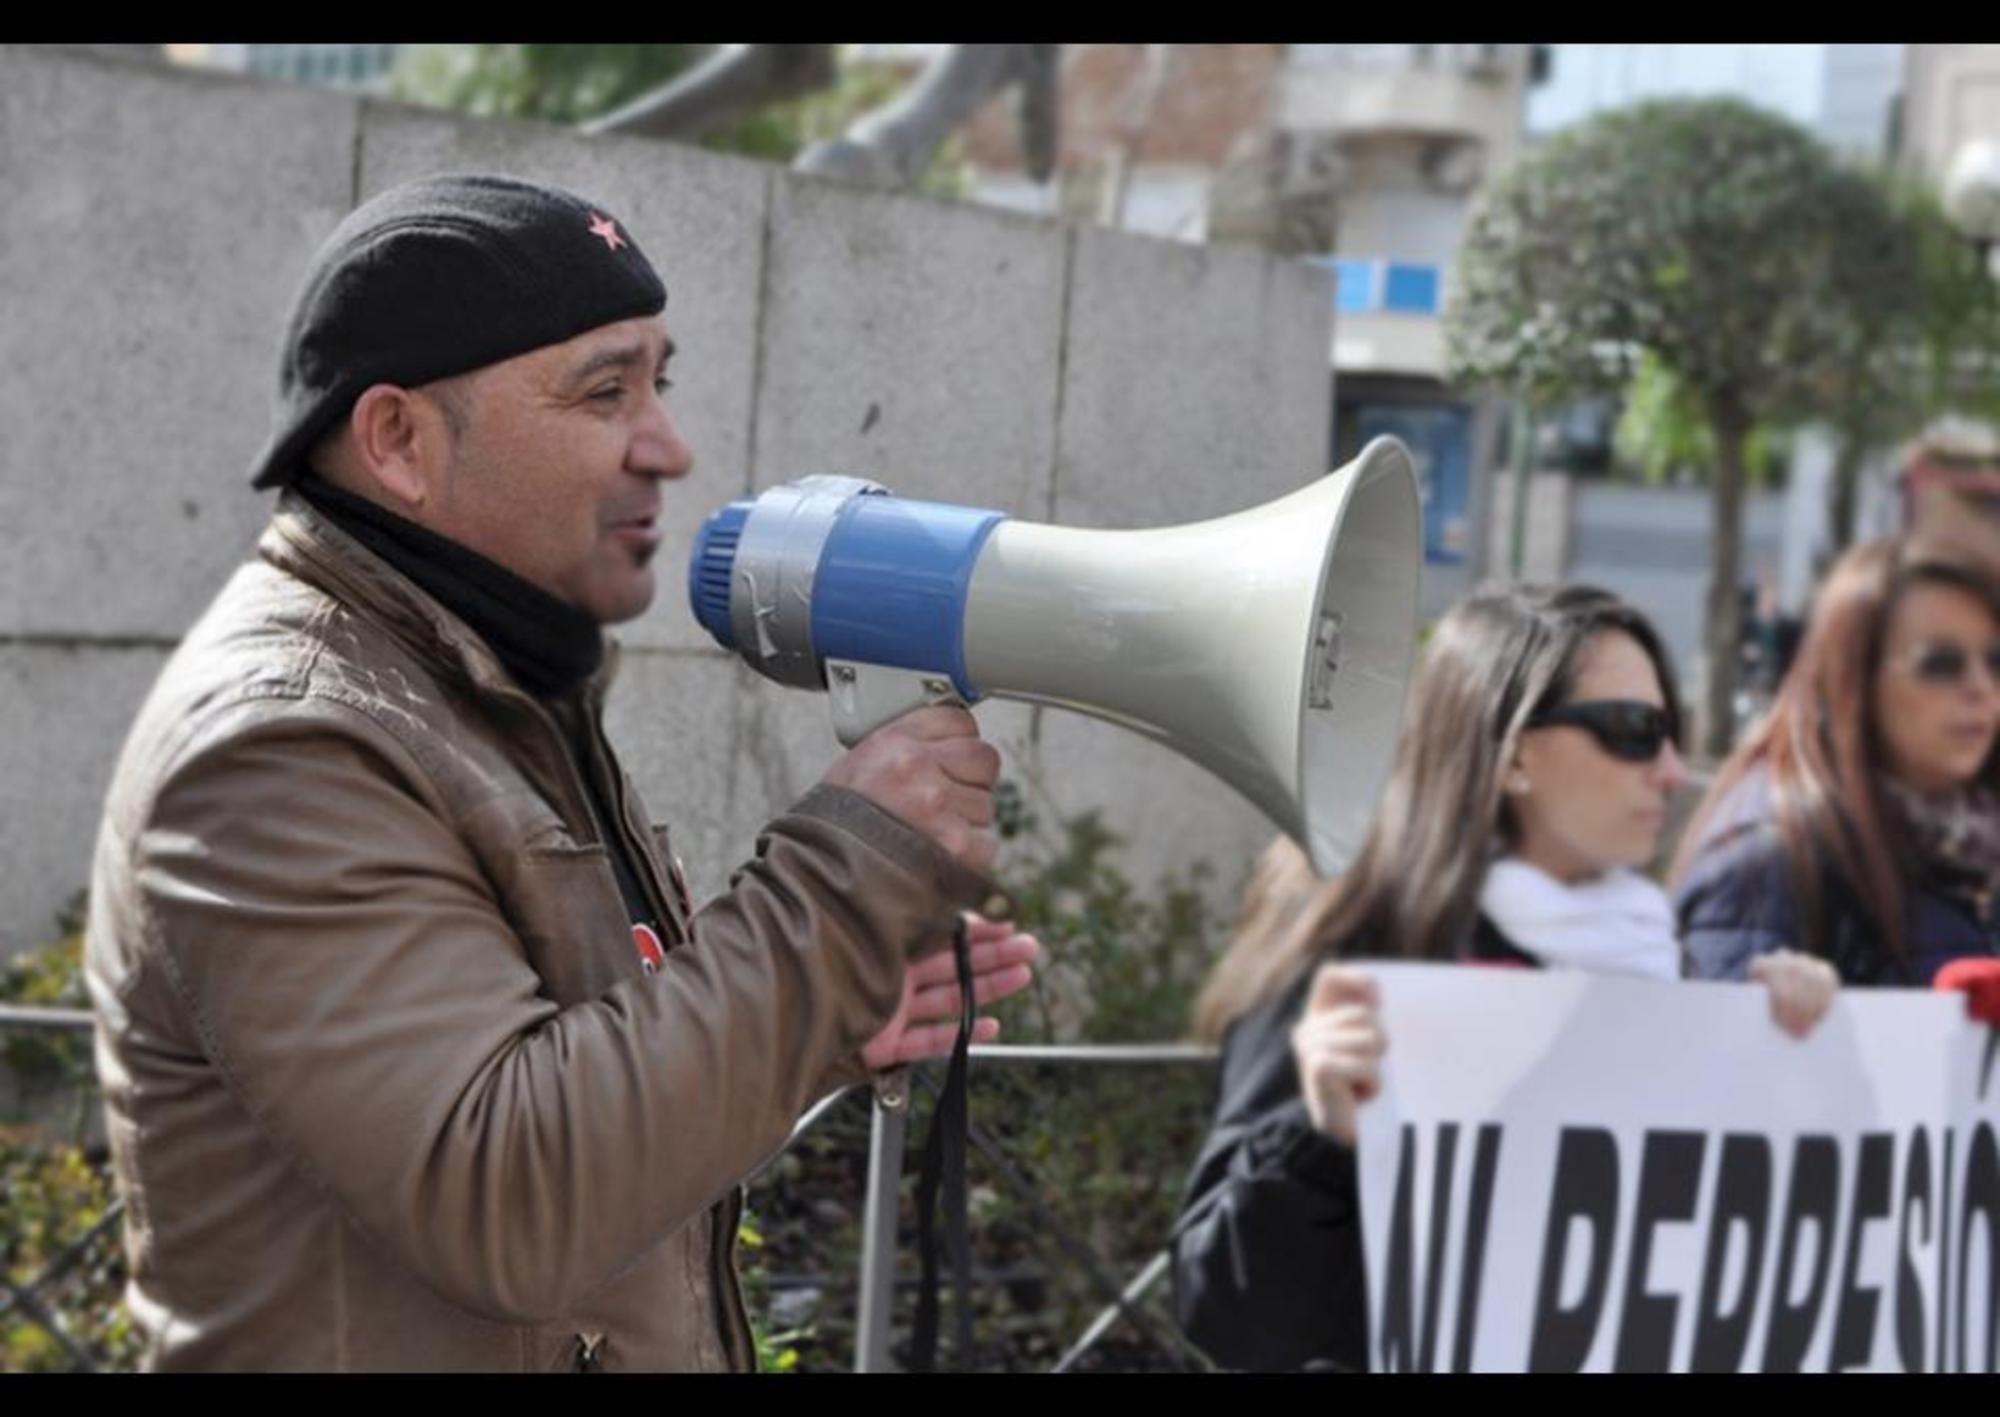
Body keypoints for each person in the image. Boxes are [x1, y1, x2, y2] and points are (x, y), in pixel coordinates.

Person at [82, 174, 1038, 1372]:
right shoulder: (280, 746)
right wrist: (837, 885)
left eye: (659, 380)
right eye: (603, 390)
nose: (670, 445)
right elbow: (509, 1195)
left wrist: (813, 1018)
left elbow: (581, 1097)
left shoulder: (479, 685)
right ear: (398, 442)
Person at [1172, 584, 1837, 1373]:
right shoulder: (1359, 950)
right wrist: (1317, 1143)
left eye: (1672, 732)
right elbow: (1228, 1313)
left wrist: (1786, 1055)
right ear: (1515, 751)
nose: (1670, 770)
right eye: (1634, 731)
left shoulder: (1657, 957)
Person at [1672, 535, 2000, 986]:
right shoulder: (1770, 862)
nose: (1980, 686)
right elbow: (1719, 1048)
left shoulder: (1974, 844)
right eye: (1941, 664)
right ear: (1855, 677)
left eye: (1995, 661)